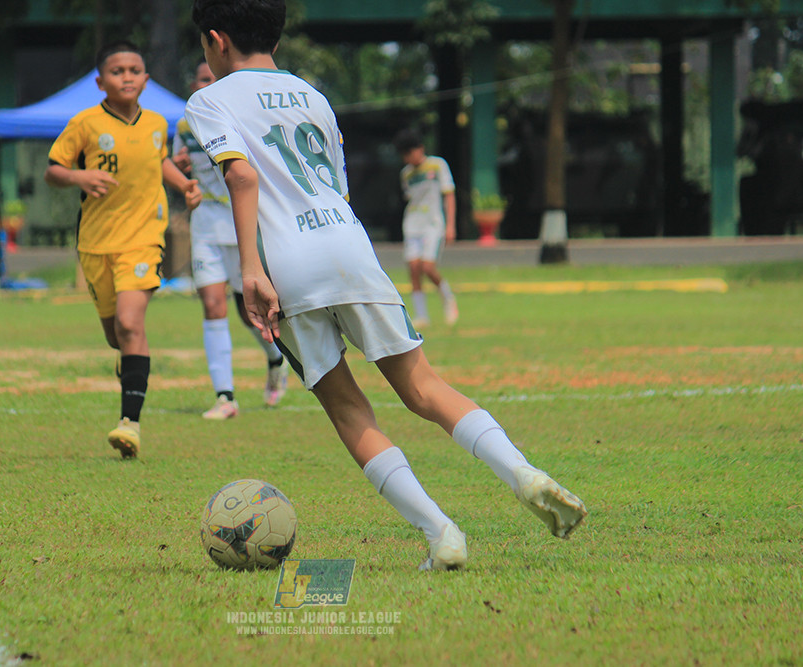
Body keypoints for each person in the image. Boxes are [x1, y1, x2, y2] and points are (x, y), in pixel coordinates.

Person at [185, 0, 587, 570]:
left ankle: (439, 530)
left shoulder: (209, 98)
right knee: (422, 385)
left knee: (350, 410)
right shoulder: (313, 95)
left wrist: (251, 269)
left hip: (289, 262)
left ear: (216, 40)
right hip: (349, 244)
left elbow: (242, 174)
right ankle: (521, 470)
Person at [44, 40, 202, 459]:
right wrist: (80, 179)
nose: (127, 77)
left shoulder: (156, 122)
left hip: (144, 238)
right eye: (117, 71)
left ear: (146, 79)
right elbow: (54, 170)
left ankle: (129, 423)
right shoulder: (86, 123)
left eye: (134, 70)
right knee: (117, 336)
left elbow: (159, 159)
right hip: (96, 244)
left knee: (132, 325)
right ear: (100, 82)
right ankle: (131, 369)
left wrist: (182, 183)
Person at [173, 61, 290, 420]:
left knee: (246, 311)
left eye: (214, 79)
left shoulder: (241, 117)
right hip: (206, 222)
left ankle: (276, 358)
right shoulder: (185, 124)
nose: (209, 84)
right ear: (194, 83)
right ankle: (225, 397)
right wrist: (181, 174)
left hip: (242, 224)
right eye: (203, 79)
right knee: (213, 305)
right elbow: (171, 162)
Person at [394, 128, 459, 327]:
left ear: (420, 148)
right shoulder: (406, 174)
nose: (408, 158)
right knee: (414, 268)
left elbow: (448, 194)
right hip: (412, 224)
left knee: (428, 267)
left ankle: (448, 298)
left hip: (433, 224)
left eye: (410, 152)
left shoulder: (437, 165)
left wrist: (450, 225)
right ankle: (422, 315)